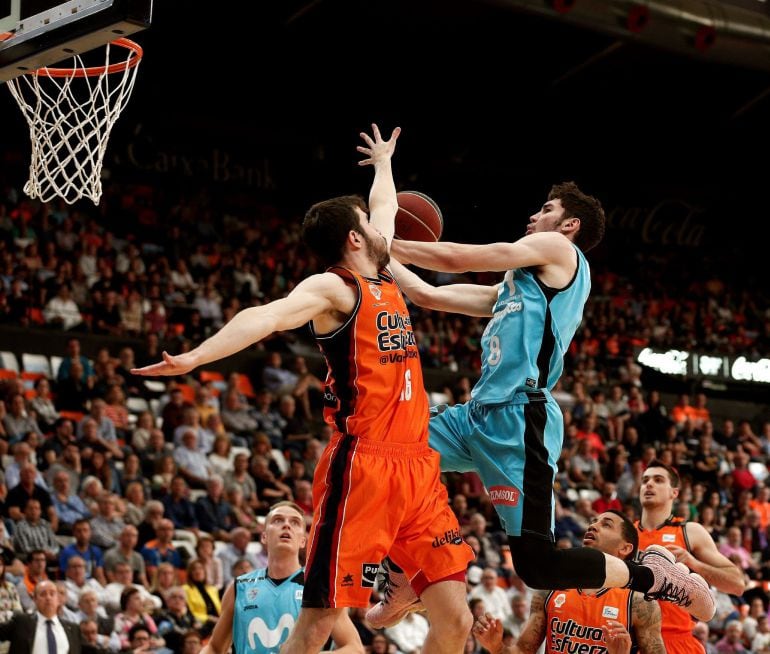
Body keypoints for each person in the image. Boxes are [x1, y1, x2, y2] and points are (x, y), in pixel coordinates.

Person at [133, 125, 475, 652]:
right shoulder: (333, 288)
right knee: (319, 621)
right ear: (353, 239)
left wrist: (383, 164)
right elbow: (265, 317)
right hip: (363, 467)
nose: (381, 227)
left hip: (418, 465)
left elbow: (383, 206)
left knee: (456, 620)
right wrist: (198, 356)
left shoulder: (382, 268)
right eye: (367, 224)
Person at [367, 182, 714, 628]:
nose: (534, 217)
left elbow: (454, 259)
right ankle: (404, 579)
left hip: (520, 420)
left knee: (538, 567)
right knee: (383, 452)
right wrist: (374, 247)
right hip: (474, 417)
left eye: (545, 209)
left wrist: (383, 240)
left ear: (569, 225)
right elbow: (426, 295)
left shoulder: (559, 250)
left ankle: (655, 577)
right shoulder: (514, 288)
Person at [472, 511, 665, 654]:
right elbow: (522, 651)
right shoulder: (550, 590)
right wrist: (496, 646)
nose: (593, 526)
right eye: (593, 522)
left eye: (606, 525)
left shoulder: (639, 602)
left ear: (625, 548)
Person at [199, 501, 362, 654]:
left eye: (295, 522)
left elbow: (354, 648)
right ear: (264, 537)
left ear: (303, 541)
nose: (286, 525)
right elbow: (214, 647)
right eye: (278, 520)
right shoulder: (240, 587)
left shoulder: (319, 587)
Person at [637, 460, 746, 654]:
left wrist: (693, 563)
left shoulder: (689, 531)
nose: (649, 484)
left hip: (676, 641)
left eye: (658, 479)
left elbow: (737, 584)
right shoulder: (625, 533)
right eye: (645, 480)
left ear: (674, 492)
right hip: (632, 639)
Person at [0, 579, 86, 654]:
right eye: (43, 594)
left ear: (58, 600)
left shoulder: (73, 629)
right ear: (35, 599)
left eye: (52, 594)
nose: (48, 598)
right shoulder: (22, 622)